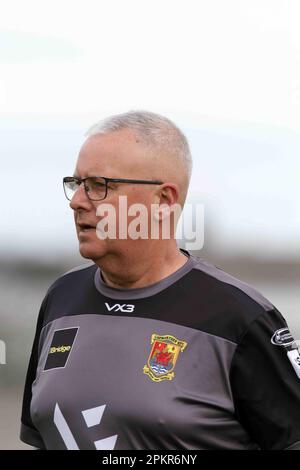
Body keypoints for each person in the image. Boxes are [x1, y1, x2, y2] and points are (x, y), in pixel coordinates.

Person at [20, 110, 300, 450]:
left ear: (163, 200)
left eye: (98, 186)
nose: (77, 202)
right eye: (77, 184)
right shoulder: (62, 298)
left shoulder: (240, 318)